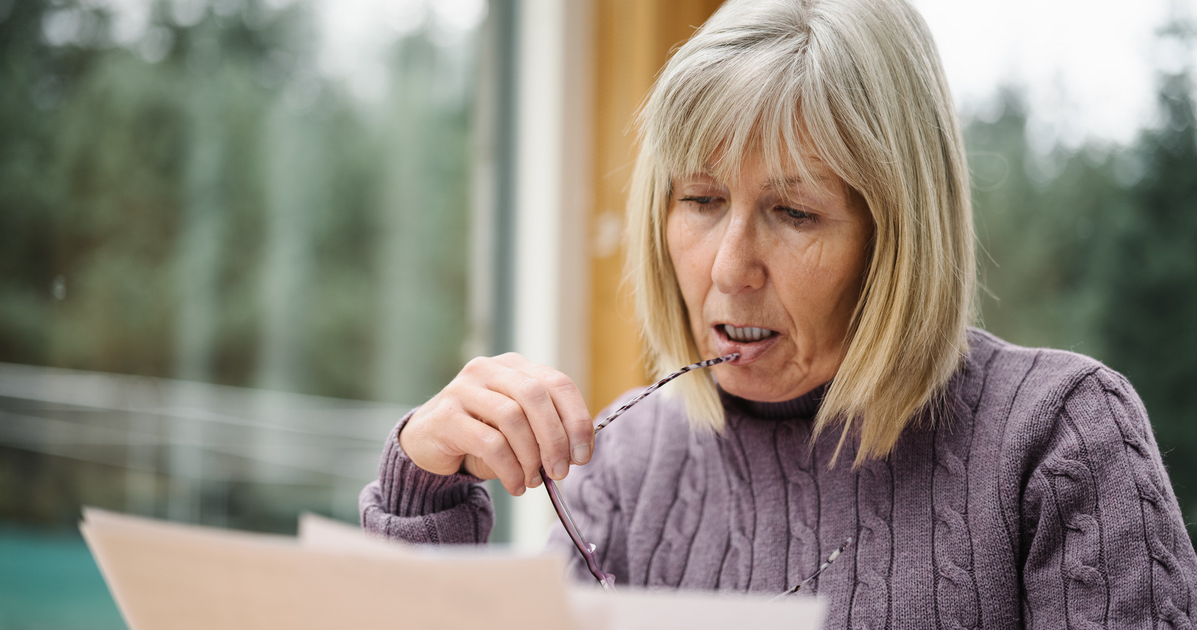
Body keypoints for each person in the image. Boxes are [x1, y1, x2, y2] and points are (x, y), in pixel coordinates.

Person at [359, 0, 1197, 626]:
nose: (729, 268)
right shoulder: (625, 466)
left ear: (896, 235)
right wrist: (422, 498)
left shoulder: (1059, 442)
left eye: (793, 214)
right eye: (700, 199)